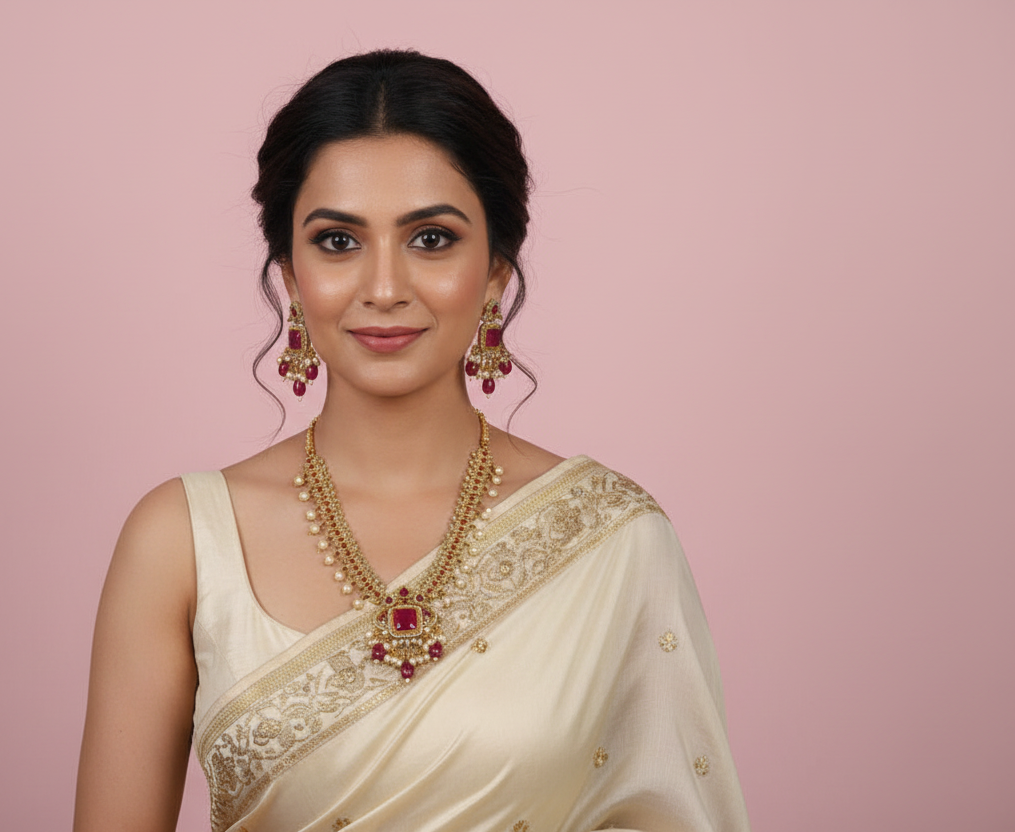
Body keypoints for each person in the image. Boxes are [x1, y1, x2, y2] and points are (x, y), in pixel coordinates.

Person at [75, 50, 749, 832]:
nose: (385, 287)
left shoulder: (614, 539)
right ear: (290, 277)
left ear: (495, 271)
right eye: (337, 241)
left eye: (431, 239)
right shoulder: (182, 540)